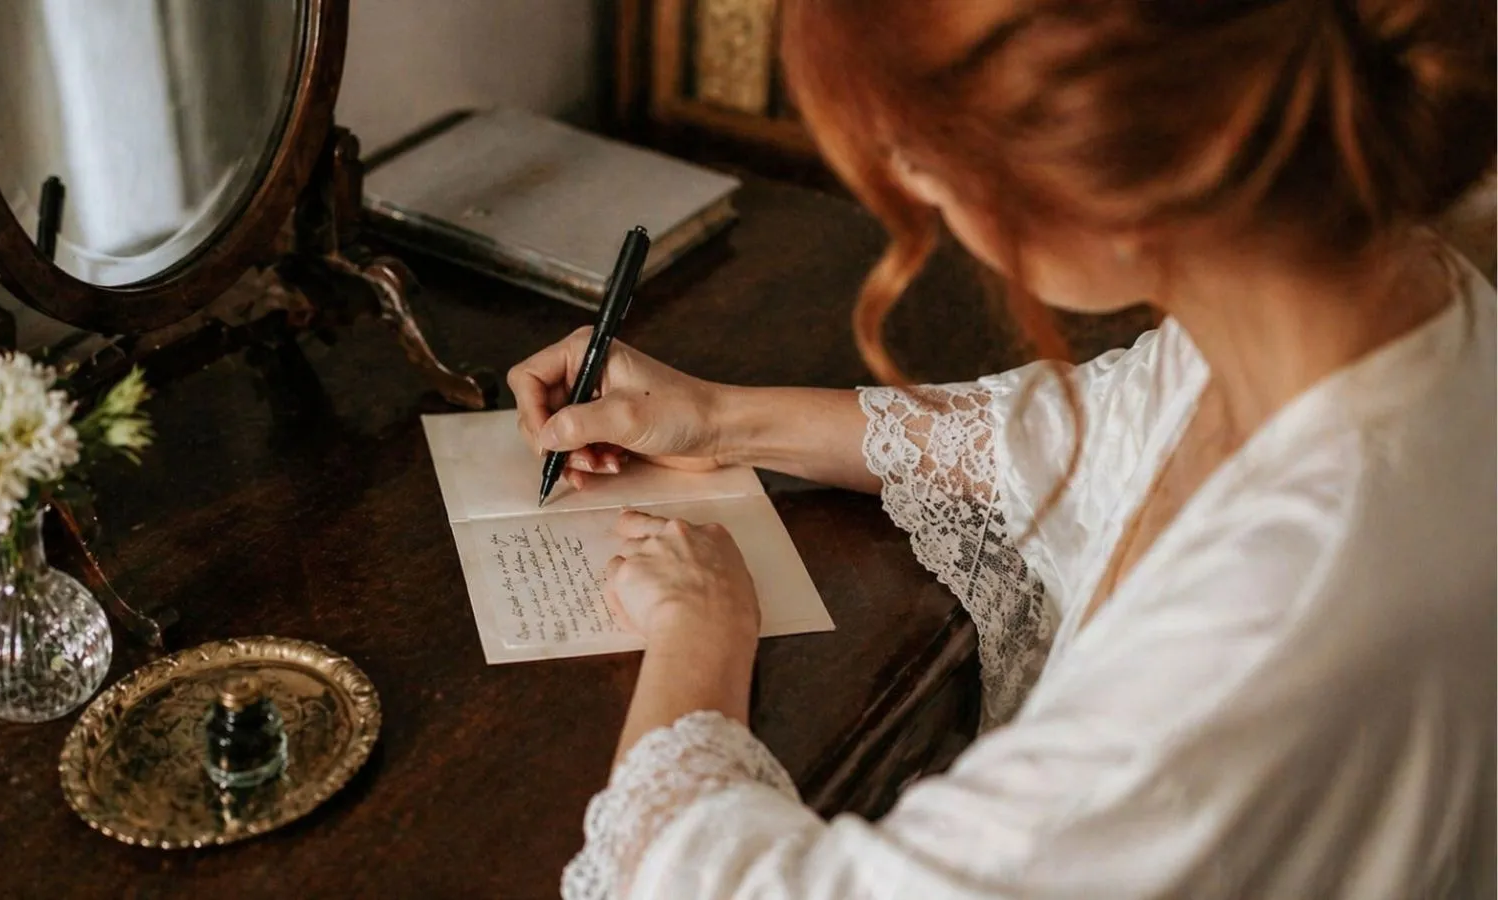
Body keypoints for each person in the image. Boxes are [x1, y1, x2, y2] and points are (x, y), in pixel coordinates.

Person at [510, 1, 1497, 896]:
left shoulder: (1264, 624)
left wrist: (699, 634)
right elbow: (1089, 434)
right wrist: (722, 419)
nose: (909, 179)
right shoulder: (1374, 291)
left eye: (915, 148)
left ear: (1107, 154)